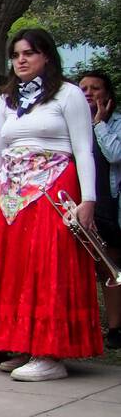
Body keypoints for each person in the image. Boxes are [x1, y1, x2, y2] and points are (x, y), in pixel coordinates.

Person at [0, 29, 101, 379]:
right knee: (17, 269)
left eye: (29, 53)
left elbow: (83, 149)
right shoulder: (7, 100)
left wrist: (88, 199)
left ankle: (50, 354)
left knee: (48, 267)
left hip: (54, 189)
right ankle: (25, 344)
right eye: (16, 54)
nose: (21, 60)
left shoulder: (69, 94)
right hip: (11, 195)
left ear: (47, 56)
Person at [80, 70, 121, 349]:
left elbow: (115, 154)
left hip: (110, 204)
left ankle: (116, 328)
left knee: (112, 268)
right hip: (82, 205)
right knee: (86, 269)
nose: (89, 93)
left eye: (95, 88)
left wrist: (99, 124)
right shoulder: (72, 120)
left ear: (107, 94)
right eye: (83, 88)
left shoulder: (114, 122)